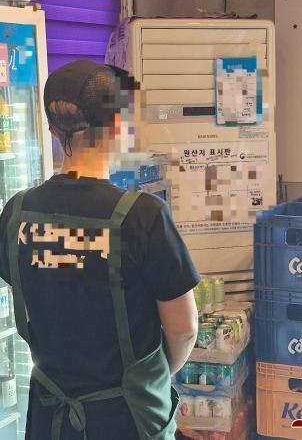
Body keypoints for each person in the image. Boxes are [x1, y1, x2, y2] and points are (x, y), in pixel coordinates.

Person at [0, 60, 200, 440]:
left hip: (49, 414)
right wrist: (150, 378)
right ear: (116, 126)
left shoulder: (17, 213)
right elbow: (184, 329)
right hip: (127, 417)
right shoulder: (143, 217)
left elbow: (30, 307)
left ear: (52, 129)